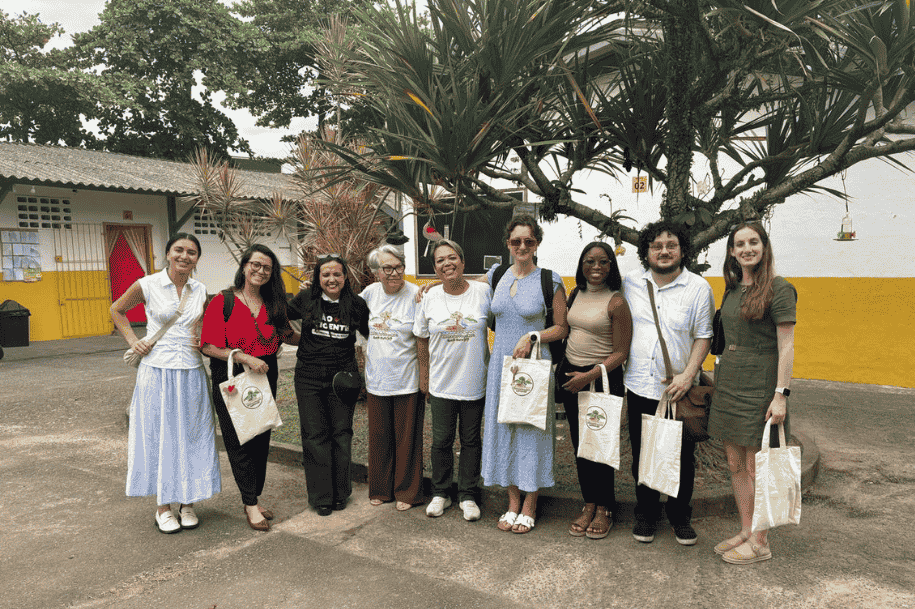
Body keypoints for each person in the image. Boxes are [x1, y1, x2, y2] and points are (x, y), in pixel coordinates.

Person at [110, 233, 221, 534]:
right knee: (159, 436)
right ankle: (163, 506)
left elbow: (198, 326)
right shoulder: (147, 284)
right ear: (168, 253)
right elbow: (116, 310)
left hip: (191, 370)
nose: (185, 256)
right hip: (156, 371)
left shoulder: (200, 289)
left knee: (192, 435)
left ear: (198, 258)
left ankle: (188, 501)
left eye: (192, 252)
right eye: (179, 250)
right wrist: (134, 341)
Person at [708, 221, 797, 565]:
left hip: (761, 385)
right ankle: (746, 529)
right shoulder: (731, 289)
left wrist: (781, 394)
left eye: (753, 242)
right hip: (729, 383)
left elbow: (786, 345)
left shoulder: (779, 288)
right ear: (731, 251)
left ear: (764, 246)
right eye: (740, 244)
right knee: (734, 463)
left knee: (756, 464)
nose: (747, 249)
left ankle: (761, 540)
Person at [622, 221, 714, 546]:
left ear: (682, 250)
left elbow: (704, 335)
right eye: (656, 245)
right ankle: (646, 513)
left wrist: (688, 375)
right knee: (642, 453)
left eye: (671, 245)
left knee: (682, 456)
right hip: (639, 385)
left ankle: (679, 516)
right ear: (646, 251)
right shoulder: (630, 282)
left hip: (679, 389)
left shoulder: (699, 287)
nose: (664, 251)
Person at [200, 245, 299, 531]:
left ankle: (252, 496)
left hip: (265, 371)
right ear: (244, 266)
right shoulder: (223, 301)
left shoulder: (274, 302)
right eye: (255, 265)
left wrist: (321, 339)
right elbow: (208, 346)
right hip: (233, 372)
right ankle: (251, 503)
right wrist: (244, 357)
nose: (260, 271)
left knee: (260, 437)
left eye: (267, 268)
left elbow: (288, 335)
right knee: (239, 439)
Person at [481, 215, 568, 534]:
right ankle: (512, 501)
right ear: (507, 244)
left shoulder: (550, 280)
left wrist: (533, 337)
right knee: (504, 430)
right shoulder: (496, 274)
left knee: (532, 431)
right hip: (501, 368)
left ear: (536, 244)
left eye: (528, 242)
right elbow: (463, 288)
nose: (522, 247)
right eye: (516, 241)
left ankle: (531, 503)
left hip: (532, 367)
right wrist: (431, 288)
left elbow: (561, 327)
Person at [555, 242, 631, 540]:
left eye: (603, 262)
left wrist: (589, 375)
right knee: (581, 446)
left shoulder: (616, 302)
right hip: (572, 377)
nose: (596, 267)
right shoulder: (576, 293)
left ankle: (605, 508)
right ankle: (588, 503)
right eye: (590, 261)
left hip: (601, 381)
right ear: (581, 264)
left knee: (601, 447)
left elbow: (621, 352)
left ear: (612, 266)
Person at [413, 239, 491, 522]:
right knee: (441, 440)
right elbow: (421, 339)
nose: (447, 263)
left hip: (474, 380)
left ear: (462, 261)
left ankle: (468, 495)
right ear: (434, 268)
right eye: (440, 260)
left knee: (471, 440)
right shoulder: (428, 297)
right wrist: (425, 375)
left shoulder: (484, 292)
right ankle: (441, 493)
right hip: (442, 383)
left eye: (452, 257)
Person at [288, 254, 370, 516]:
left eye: (337, 274)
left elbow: (372, 335)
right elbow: (279, 319)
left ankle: (340, 493)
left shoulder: (357, 305)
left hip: (342, 378)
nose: (332, 279)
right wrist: (299, 341)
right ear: (318, 278)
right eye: (326, 275)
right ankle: (321, 496)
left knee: (341, 435)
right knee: (315, 436)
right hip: (308, 377)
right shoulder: (305, 299)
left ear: (345, 277)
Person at [361, 244, 424, 511]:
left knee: (407, 439)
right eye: (388, 268)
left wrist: (425, 377)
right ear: (377, 272)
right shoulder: (368, 295)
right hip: (377, 379)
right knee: (379, 437)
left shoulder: (415, 295)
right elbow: (359, 332)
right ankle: (380, 488)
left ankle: (407, 492)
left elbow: (422, 339)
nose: (394, 272)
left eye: (399, 266)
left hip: (407, 378)